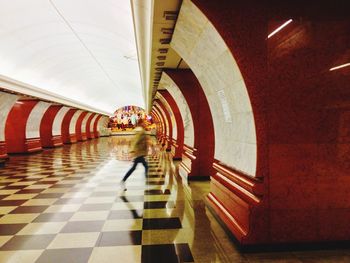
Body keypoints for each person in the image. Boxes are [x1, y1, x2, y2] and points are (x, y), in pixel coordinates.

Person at [120, 126, 148, 190]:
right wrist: (133, 152)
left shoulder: (139, 131)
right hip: (138, 153)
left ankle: (123, 181)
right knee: (145, 166)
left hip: (138, 153)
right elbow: (136, 142)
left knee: (137, 167)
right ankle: (146, 180)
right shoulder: (140, 131)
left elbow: (136, 142)